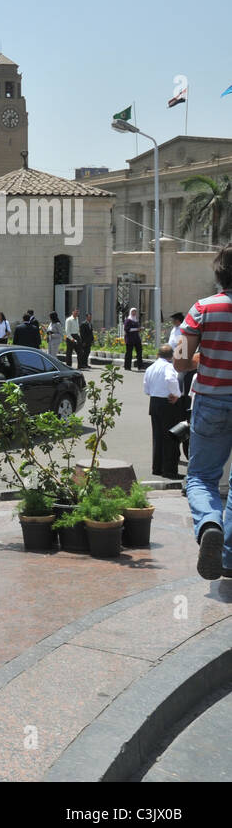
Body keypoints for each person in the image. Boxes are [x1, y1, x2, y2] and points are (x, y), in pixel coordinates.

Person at [175, 247, 232, 580]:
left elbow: (181, 360)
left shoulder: (202, 309)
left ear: (219, 275)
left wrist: (202, 359)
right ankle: (228, 558)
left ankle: (209, 524)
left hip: (211, 402)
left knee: (200, 477)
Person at [143, 345, 181, 480]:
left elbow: (146, 388)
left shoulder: (150, 367)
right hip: (167, 403)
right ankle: (169, 470)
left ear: (158, 354)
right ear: (171, 356)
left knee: (157, 436)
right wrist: (176, 394)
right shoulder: (168, 367)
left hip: (154, 402)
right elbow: (171, 379)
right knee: (170, 437)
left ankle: (157, 467)